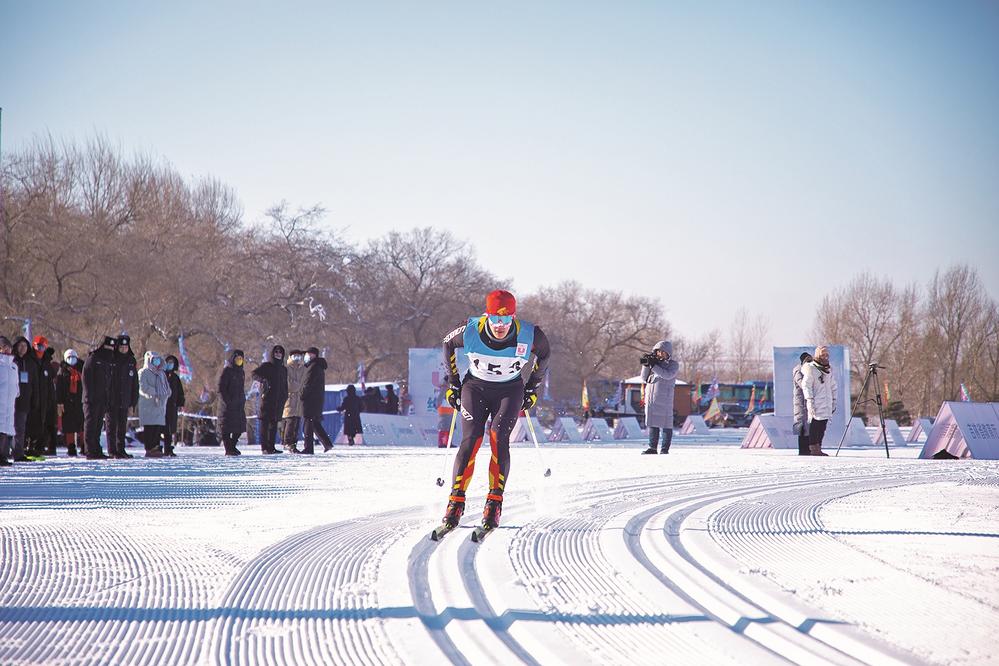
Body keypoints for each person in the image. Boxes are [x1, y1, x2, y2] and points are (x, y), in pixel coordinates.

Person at [438, 289, 551, 532]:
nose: (500, 326)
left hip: (509, 391)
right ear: (486, 315)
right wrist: (453, 383)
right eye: (495, 319)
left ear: (514, 317)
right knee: (471, 439)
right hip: (475, 388)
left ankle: (494, 502)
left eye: (506, 319)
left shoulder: (530, 334)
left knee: (499, 438)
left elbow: (545, 354)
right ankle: (455, 500)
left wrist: (532, 388)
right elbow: (447, 344)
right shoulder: (470, 329)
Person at [640, 340, 680, 454]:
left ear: (668, 353)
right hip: (651, 398)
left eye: (663, 352)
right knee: (652, 422)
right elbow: (644, 378)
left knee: (666, 423)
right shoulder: (655, 364)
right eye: (658, 352)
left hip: (665, 398)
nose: (660, 354)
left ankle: (664, 449)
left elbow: (667, 375)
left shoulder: (673, 365)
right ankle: (652, 447)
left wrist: (653, 366)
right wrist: (646, 365)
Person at [82, 336, 117, 459]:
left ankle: (97, 449)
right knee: (90, 425)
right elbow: (86, 379)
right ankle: (90, 450)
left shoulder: (108, 361)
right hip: (91, 399)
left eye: (111, 347)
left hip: (102, 399)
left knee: (98, 426)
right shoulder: (93, 359)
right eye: (107, 347)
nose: (109, 350)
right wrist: (89, 396)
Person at [251, 345, 288, 454]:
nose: (278, 353)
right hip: (267, 398)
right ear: (272, 353)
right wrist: (263, 380)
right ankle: (264, 448)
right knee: (265, 423)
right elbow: (254, 374)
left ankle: (271, 447)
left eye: (280, 352)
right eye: (276, 352)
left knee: (274, 423)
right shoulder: (267, 366)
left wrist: (285, 395)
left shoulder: (283, 369)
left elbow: (285, 384)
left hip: (279, 400)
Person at [801, 345, 837, 456]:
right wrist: (809, 400)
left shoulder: (828, 370)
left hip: (827, 401)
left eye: (827, 355)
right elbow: (806, 385)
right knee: (815, 425)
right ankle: (813, 447)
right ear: (818, 355)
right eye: (823, 355)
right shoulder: (811, 368)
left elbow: (833, 385)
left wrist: (834, 399)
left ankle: (819, 446)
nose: (825, 357)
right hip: (816, 401)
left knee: (823, 426)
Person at [108, 335, 139, 459]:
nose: (124, 349)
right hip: (112, 399)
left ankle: (121, 449)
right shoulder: (111, 359)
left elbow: (134, 383)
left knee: (122, 426)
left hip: (125, 399)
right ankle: (112, 450)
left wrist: (133, 402)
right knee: (112, 426)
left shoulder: (131, 361)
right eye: (121, 347)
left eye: (126, 347)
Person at [300, 346, 333, 454]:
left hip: (310, 400)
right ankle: (327, 443)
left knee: (308, 424)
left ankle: (308, 448)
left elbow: (308, 384)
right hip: (316, 400)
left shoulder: (313, 367)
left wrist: (302, 395)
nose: (306, 356)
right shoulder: (317, 366)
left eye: (308, 354)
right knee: (314, 423)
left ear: (313, 355)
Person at [138, 351, 172, 458]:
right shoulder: (143, 372)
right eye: (154, 360)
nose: (156, 362)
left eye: (158, 359)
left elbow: (166, 388)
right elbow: (143, 388)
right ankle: (149, 448)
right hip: (148, 405)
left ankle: (156, 447)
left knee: (157, 428)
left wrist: (166, 393)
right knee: (150, 428)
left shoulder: (161, 373)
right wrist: (157, 391)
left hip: (160, 406)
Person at [11, 336, 39, 462]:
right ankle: (4, 452)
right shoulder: (11, 361)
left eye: (25, 346)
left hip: (24, 400)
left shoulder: (31, 363)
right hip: (10, 399)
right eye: (20, 345)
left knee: (20, 428)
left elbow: (35, 384)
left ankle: (18, 452)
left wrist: (34, 400)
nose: (22, 348)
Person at [56, 349, 85, 457]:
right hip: (67, 403)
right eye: (69, 357)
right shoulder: (62, 371)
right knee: (69, 427)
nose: (71, 359)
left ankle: (84, 446)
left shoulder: (82, 369)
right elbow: (59, 389)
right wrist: (59, 402)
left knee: (82, 426)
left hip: (80, 402)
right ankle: (71, 447)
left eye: (73, 357)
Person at [218, 349, 247, 456]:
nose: (239, 360)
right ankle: (228, 448)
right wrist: (227, 401)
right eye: (237, 358)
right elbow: (221, 388)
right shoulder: (227, 371)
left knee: (238, 429)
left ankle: (232, 446)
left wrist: (242, 399)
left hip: (238, 405)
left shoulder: (241, 372)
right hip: (227, 406)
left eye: (241, 358)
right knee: (226, 429)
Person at [282, 350, 306, 453]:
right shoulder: (286, 369)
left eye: (299, 356)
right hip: (289, 399)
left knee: (296, 423)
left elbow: (305, 383)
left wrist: (299, 386)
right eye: (295, 356)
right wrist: (298, 386)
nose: (297, 358)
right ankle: (287, 442)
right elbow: (288, 385)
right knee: (290, 422)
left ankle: (294, 444)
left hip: (300, 400)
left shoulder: (304, 369)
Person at [0, 336, 19, 466]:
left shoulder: (13, 366)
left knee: (6, 430)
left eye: (8, 347)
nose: (6, 350)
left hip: (9, 403)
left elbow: (16, 384)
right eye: (3, 347)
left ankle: (3, 456)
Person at [163, 354, 185, 455]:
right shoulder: (161, 375)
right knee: (162, 427)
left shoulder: (175, 377)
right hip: (162, 406)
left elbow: (180, 391)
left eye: (171, 363)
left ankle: (168, 447)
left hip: (172, 406)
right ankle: (160, 446)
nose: (170, 365)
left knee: (170, 428)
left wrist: (180, 402)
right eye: (168, 363)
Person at [792, 352, 813, 456]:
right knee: (802, 427)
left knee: (808, 427)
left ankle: (808, 449)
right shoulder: (798, 371)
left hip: (807, 403)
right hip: (801, 404)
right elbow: (802, 384)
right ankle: (803, 450)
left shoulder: (809, 371)